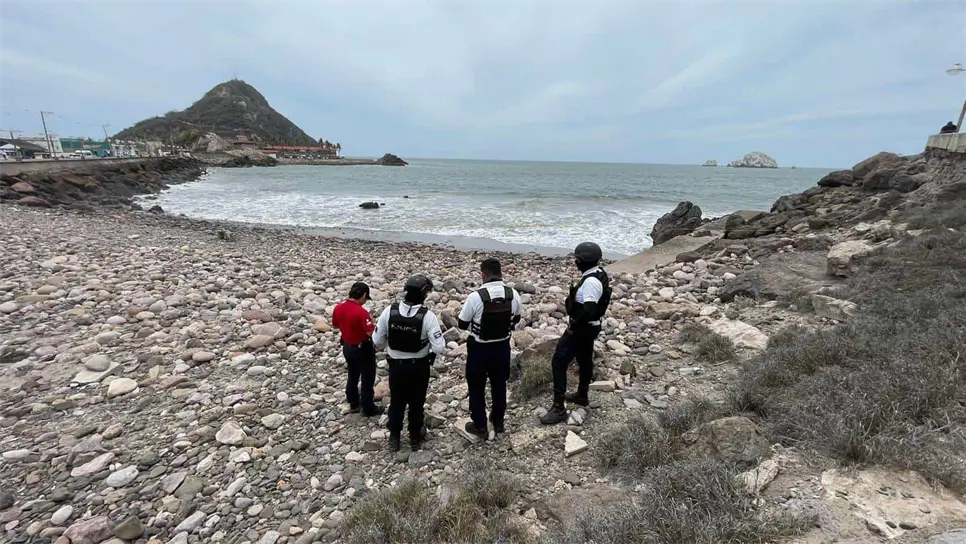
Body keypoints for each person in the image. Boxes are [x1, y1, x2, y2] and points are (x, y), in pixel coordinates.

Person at [373, 275, 447, 452]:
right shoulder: (427, 317)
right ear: (424, 294)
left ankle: (394, 438)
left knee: (397, 402)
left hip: (396, 366)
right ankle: (414, 437)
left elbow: (377, 339)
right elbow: (440, 346)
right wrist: (428, 352)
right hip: (418, 366)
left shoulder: (389, 311)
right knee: (416, 402)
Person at [541, 242, 612, 425]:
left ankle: (558, 408)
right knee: (584, 359)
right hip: (590, 327)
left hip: (583, 327)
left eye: (577, 259)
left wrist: (573, 327)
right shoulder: (598, 274)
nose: (575, 262)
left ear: (581, 261)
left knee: (559, 361)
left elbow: (588, 309)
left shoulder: (590, 282)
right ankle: (582, 394)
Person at [457, 258, 523, 439]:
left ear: (483, 275)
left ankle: (479, 425)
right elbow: (516, 320)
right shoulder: (513, 294)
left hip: (480, 348)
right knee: (499, 384)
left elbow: (462, 324)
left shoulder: (475, 297)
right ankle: (498, 422)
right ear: (501, 274)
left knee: (477, 386)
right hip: (502, 347)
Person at [332, 282, 383, 417]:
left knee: (352, 375)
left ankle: (353, 402)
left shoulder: (338, 308)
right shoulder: (361, 312)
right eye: (366, 298)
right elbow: (370, 333)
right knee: (367, 377)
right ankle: (368, 407)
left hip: (347, 346)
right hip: (362, 347)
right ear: (364, 295)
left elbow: (336, 325)